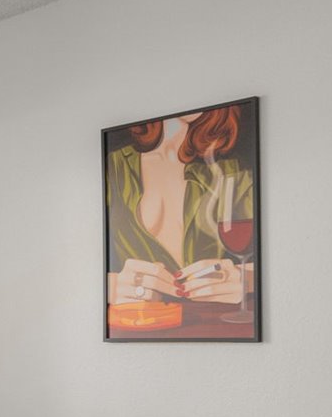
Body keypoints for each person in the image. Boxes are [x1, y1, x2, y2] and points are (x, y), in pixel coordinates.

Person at [105, 106, 254, 307]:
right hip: (140, 326)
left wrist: (248, 278)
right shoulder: (111, 168)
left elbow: (278, 254)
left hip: (212, 326)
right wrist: (111, 286)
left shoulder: (234, 170)